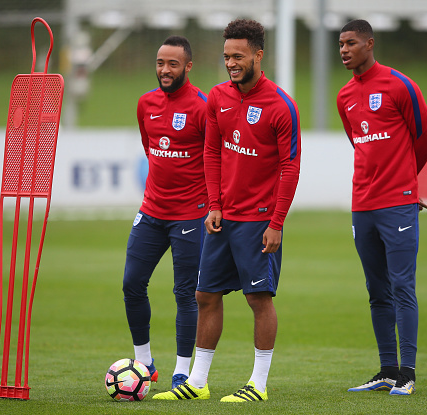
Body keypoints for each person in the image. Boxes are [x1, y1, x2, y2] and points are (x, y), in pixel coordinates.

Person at [153, 18, 301, 403]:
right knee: (205, 295)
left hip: (259, 220)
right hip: (223, 217)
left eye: (238, 56)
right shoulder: (218, 97)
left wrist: (277, 223)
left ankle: (259, 384)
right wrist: (214, 204)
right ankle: (198, 382)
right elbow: (212, 151)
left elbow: (290, 167)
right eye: (226, 56)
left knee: (258, 299)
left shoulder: (281, 105)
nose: (231, 63)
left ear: (258, 54)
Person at [336, 19, 427, 396]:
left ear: (369, 43)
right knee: (376, 289)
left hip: (397, 203)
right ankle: (387, 370)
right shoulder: (344, 95)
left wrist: (406, 182)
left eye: (351, 43)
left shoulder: (399, 85)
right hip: (362, 205)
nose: (344, 50)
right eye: (340, 44)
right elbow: (359, 143)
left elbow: (424, 140)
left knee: (401, 287)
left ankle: (407, 373)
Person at [122, 35, 208, 390]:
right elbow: (150, 147)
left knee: (185, 294)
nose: (165, 70)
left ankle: (183, 371)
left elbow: (215, 157)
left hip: (191, 215)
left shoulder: (203, 105)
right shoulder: (146, 104)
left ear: (188, 66)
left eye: (173, 64)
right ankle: (144, 363)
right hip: (152, 211)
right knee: (131, 284)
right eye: (160, 63)